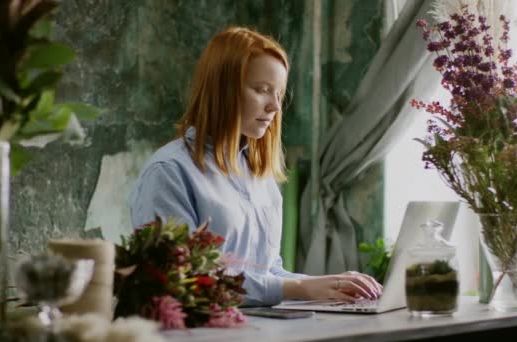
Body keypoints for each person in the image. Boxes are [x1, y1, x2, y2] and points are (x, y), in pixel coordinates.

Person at [129, 26, 382, 306]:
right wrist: (300, 287)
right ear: (222, 88)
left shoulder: (260, 176)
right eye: (262, 90)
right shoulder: (169, 172)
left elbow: (268, 273)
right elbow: (182, 280)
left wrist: (329, 285)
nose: (274, 106)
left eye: (279, 94)